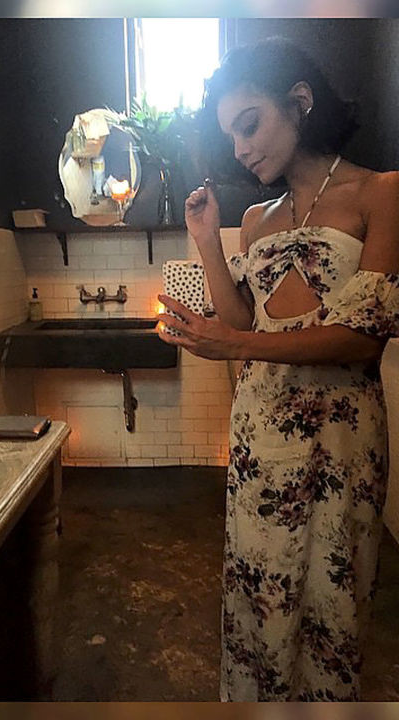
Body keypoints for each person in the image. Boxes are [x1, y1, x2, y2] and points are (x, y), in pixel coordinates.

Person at [156, 36, 399, 701]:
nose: (240, 148)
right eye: (230, 136)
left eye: (249, 124)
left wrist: (234, 346)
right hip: (260, 435)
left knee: (332, 599)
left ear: (299, 102)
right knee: (261, 590)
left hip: (342, 441)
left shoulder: (381, 193)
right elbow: (244, 320)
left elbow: (360, 339)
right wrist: (207, 241)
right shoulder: (255, 219)